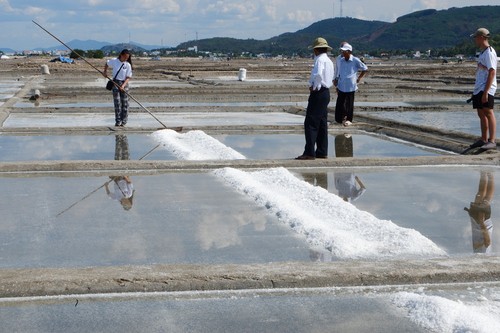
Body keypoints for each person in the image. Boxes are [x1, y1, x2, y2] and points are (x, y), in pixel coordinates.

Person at [296, 37, 334, 160]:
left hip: (318, 93)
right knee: (322, 123)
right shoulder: (329, 60)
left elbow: (318, 75)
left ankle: (309, 152)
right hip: (326, 93)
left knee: (311, 122)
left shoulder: (319, 60)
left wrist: (314, 87)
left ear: (316, 50)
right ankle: (322, 151)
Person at [469, 28, 498, 150]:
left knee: (488, 112)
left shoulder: (490, 52)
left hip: (487, 88)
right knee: (481, 113)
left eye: (476, 37)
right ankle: (483, 139)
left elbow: (492, 72)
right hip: (479, 87)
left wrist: (486, 92)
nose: (474, 40)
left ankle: (492, 140)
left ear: (481, 37)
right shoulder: (482, 53)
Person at [334, 42, 368, 126]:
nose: (343, 53)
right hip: (342, 85)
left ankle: (349, 119)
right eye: (342, 51)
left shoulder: (355, 60)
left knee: (349, 103)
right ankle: (338, 119)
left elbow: (365, 68)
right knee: (340, 103)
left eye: (345, 51)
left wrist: (359, 78)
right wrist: (336, 79)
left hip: (350, 86)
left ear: (349, 51)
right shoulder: (341, 60)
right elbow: (338, 71)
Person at [464, 171, 494, 253]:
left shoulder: (481, 256)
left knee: (483, 196)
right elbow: (487, 242)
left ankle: (487, 173)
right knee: (483, 196)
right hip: (481, 222)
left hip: (479, 222)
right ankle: (487, 173)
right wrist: (481, 222)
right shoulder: (483, 255)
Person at [103, 49, 133, 127]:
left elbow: (128, 77)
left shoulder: (127, 65)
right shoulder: (114, 61)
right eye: (125, 57)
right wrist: (105, 72)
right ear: (121, 55)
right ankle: (118, 121)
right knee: (117, 103)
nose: (126, 59)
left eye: (127, 58)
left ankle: (124, 121)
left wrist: (123, 86)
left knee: (125, 103)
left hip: (124, 84)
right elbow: (107, 63)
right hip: (115, 83)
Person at [105, 134, 134, 210]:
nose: (127, 202)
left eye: (126, 204)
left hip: (117, 176)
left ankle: (118, 137)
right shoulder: (129, 194)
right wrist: (125, 176)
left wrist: (106, 186)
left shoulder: (116, 198)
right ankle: (124, 137)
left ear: (123, 205)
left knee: (118, 155)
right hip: (125, 175)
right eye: (128, 203)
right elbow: (129, 183)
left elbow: (109, 194)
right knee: (126, 155)